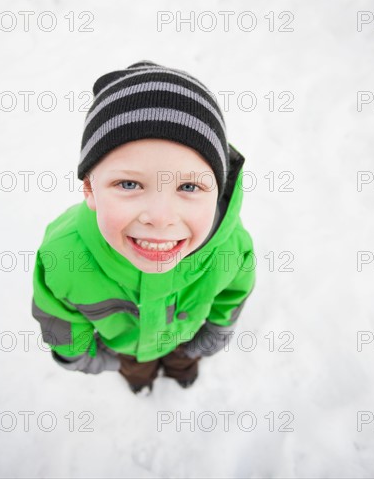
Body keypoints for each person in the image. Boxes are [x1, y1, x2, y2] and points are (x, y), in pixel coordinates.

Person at [31, 60, 256, 395]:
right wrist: (83, 357)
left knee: (184, 361)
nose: (161, 217)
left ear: (218, 189)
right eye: (129, 185)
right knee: (136, 371)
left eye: (189, 187)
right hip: (124, 349)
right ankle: (141, 382)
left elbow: (233, 293)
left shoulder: (231, 247)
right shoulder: (65, 253)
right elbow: (59, 318)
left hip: (185, 339)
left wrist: (213, 336)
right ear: (91, 189)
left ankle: (183, 372)